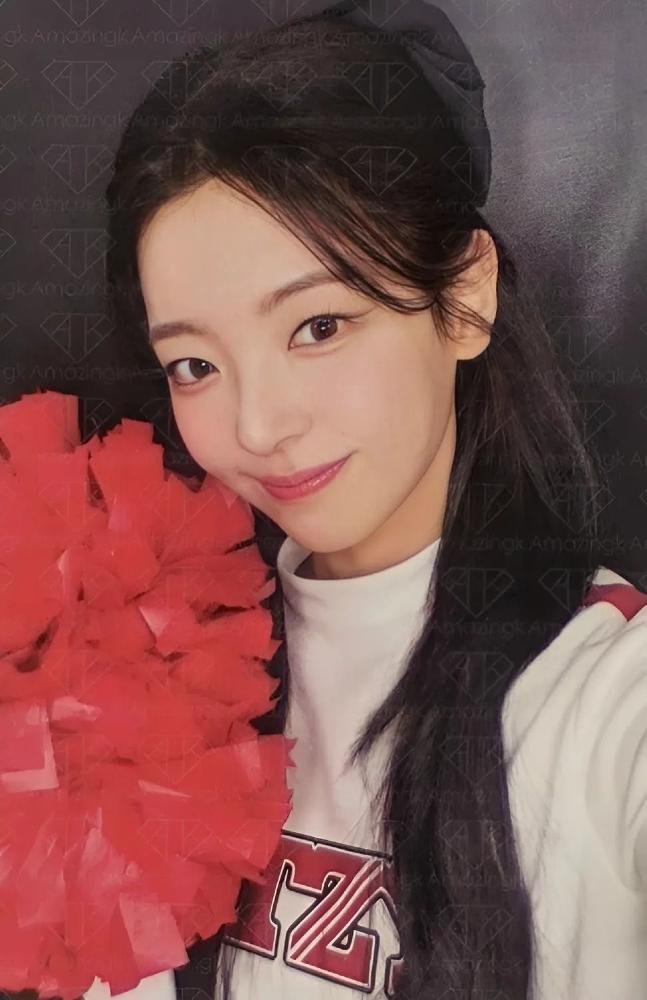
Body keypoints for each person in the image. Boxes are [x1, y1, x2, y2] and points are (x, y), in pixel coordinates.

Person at [100, 2, 647, 998]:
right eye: (193, 364)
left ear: (463, 298)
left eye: (318, 326)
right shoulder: (142, 674)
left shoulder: (607, 692)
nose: (257, 426)